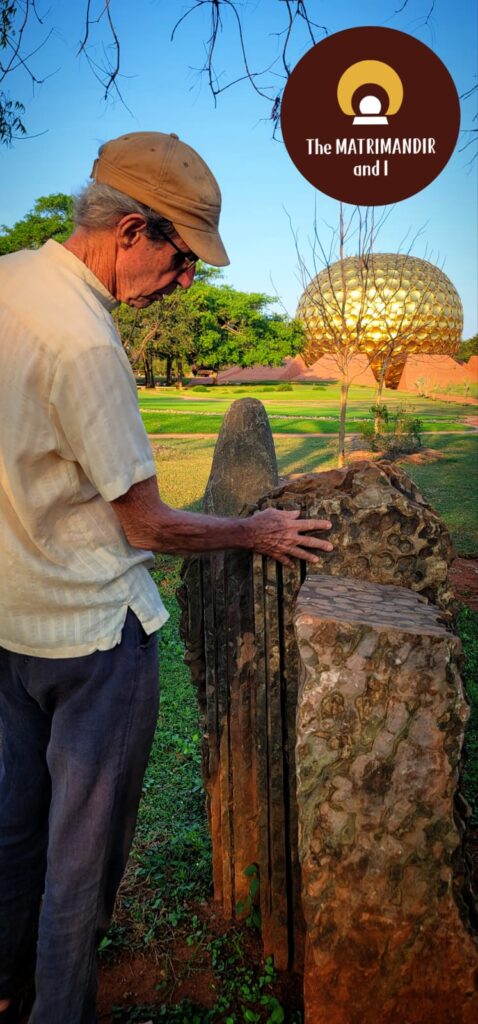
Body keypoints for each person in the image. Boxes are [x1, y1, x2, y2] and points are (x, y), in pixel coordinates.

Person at [0, 131, 333, 1024]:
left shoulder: (7, 282)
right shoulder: (85, 345)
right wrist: (255, 529)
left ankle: (7, 983)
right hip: (91, 637)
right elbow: (148, 522)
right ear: (133, 230)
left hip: (10, 618)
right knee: (82, 860)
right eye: (183, 258)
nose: (185, 280)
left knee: (15, 827)